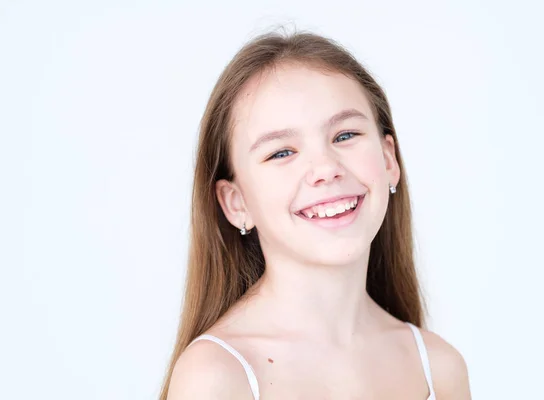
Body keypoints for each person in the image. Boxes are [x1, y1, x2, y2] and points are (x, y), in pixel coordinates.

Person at [160, 29, 471, 399]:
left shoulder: (439, 369)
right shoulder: (216, 378)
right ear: (236, 202)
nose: (325, 168)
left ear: (389, 159)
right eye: (281, 153)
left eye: (345, 135)